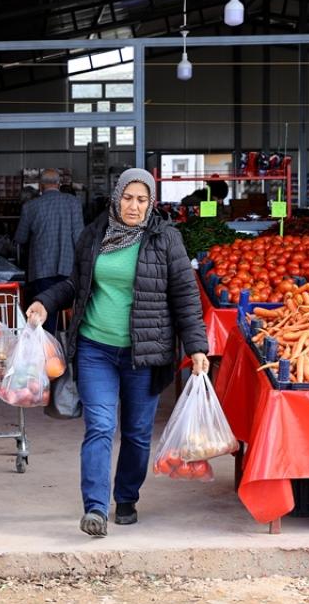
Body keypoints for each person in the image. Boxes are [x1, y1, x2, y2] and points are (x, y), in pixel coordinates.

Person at [25, 168, 209, 538]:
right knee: (100, 427)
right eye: (128, 197)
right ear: (116, 197)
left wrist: (198, 348)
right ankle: (95, 507)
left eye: (142, 200)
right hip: (96, 349)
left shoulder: (166, 239)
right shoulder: (95, 233)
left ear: (151, 203)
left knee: (138, 433)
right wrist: (45, 302)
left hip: (145, 353)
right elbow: (76, 282)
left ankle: (126, 497)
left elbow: (186, 297)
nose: (134, 206)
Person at [14, 168, 84, 332]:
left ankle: (48, 352)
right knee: (72, 311)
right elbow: (80, 238)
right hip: (69, 269)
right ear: (59, 184)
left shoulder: (30, 206)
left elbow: (20, 238)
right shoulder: (73, 203)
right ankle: (67, 348)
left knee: (45, 314)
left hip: (41, 270)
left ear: (40, 185)